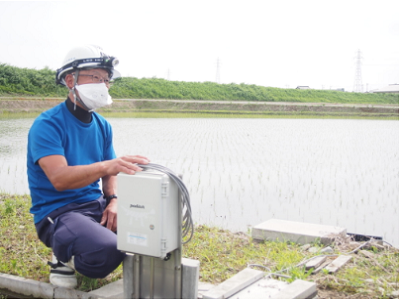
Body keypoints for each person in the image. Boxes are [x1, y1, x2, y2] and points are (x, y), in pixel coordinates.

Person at [27, 45, 149, 288]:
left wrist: (113, 200)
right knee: (107, 250)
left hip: (95, 205)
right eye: (95, 77)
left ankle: (84, 237)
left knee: (149, 228)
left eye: (106, 79)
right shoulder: (48, 124)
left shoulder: (103, 125)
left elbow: (109, 173)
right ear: (70, 79)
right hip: (59, 212)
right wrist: (106, 166)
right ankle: (63, 256)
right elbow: (60, 179)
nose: (103, 84)